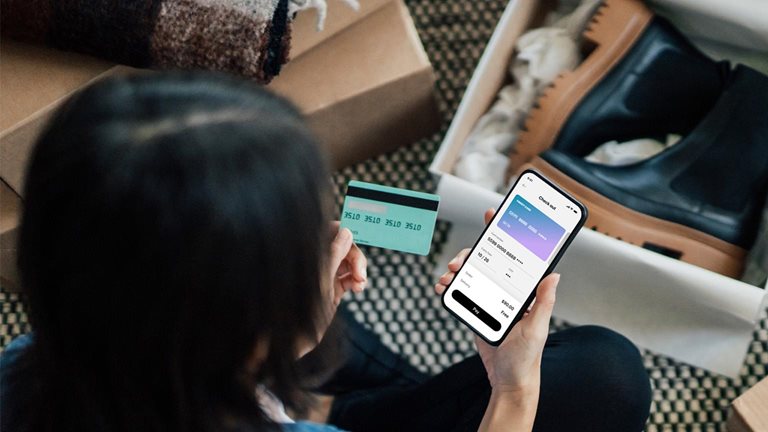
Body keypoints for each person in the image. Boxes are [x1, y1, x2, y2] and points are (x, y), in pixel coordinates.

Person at [0, 72, 652, 432]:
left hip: (261, 382)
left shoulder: (25, 363)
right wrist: (512, 391)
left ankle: (379, 397)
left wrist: (290, 338)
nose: (333, 239)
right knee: (607, 373)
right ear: (250, 337)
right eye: (300, 240)